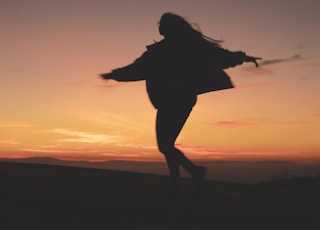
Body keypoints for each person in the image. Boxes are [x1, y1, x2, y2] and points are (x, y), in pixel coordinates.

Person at [100, 12, 261, 196]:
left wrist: (114, 75)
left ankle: (189, 175)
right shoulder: (177, 48)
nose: (159, 26)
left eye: (162, 23)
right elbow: (137, 69)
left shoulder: (169, 50)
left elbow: (138, 69)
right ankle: (182, 180)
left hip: (175, 99)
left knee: (165, 145)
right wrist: (115, 74)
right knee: (167, 144)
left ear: (170, 27)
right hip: (178, 99)